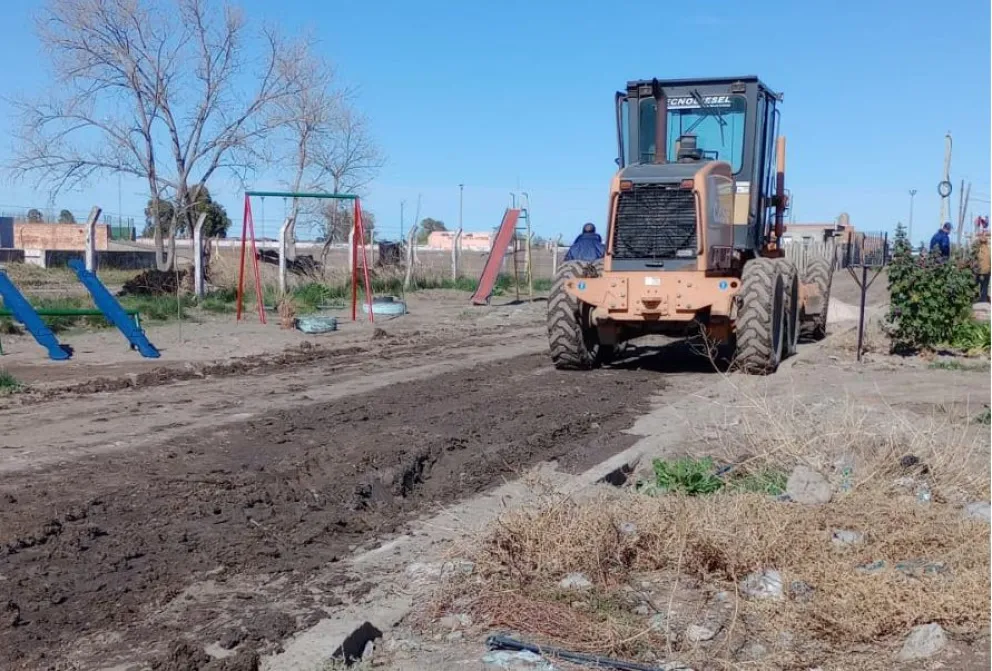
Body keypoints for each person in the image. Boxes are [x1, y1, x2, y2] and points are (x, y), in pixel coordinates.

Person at [974, 216, 990, 303]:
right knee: (985, 286)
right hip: (987, 271)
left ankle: (974, 297)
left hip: (979, 270)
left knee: (976, 284)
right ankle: (983, 300)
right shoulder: (988, 249)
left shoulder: (978, 249)